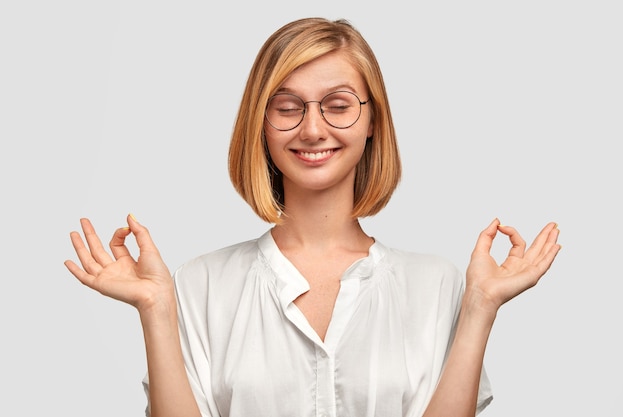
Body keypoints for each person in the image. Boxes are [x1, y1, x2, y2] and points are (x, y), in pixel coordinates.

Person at [64, 17, 561, 417]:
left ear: (372, 121)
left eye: (338, 105)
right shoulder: (200, 284)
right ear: (260, 124)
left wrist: (480, 307)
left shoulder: (436, 285)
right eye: (287, 107)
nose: (313, 128)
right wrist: (155, 308)